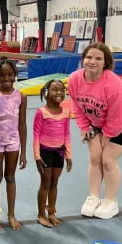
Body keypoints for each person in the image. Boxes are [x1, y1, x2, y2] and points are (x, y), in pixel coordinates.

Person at [68, 43, 122, 219]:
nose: (92, 61)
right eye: (89, 57)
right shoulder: (75, 79)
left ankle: (110, 201)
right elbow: (77, 105)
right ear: (83, 59)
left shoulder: (113, 84)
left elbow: (118, 114)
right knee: (94, 157)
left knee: (108, 159)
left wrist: (108, 134)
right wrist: (84, 127)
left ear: (105, 63)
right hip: (96, 122)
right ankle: (93, 196)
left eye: (98, 58)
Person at [0, 58, 27, 231]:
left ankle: (11, 215)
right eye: (2, 75)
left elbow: (22, 124)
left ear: (15, 75)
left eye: (10, 75)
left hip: (13, 142)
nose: (6, 79)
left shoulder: (21, 96)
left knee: (10, 177)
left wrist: (23, 151)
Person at [33, 80, 72, 227]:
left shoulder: (66, 112)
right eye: (55, 90)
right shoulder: (41, 112)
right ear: (47, 93)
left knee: (54, 183)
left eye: (62, 90)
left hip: (59, 152)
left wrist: (68, 154)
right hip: (45, 152)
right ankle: (41, 214)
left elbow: (67, 134)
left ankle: (51, 212)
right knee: (45, 183)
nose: (59, 93)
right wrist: (37, 156)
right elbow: (36, 135)